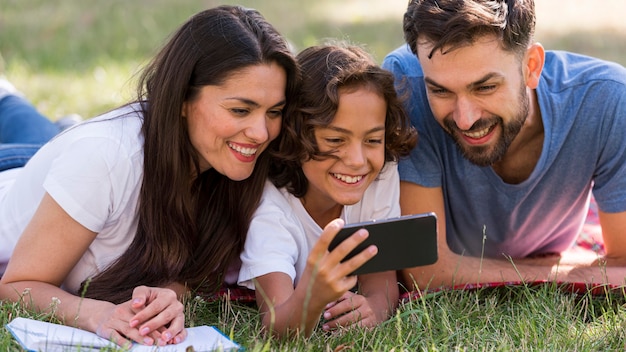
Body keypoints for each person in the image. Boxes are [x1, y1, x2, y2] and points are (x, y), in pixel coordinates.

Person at [0, 5, 299, 348]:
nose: (261, 133)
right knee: (16, 114)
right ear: (183, 98)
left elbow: (192, 267)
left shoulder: (231, 165)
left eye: (274, 112)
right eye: (240, 110)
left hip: (62, 166)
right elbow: (16, 285)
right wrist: (96, 314)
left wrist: (167, 295)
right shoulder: (104, 158)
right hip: (11, 173)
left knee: (37, 131)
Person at [382, 0, 626, 292]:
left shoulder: (607, 100)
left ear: (531, 66)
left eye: (485, 87)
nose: (464, 119)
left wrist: (470, 268)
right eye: (440, 90)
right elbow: (426, 272)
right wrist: (568, 269)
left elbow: (621, 265)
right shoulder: (407, 84)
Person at [238, 43, 417, 338]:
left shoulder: (381, 175)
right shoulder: (270, 207)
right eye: (335, 140)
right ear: (296, 135)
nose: (358, 161)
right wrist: (312, 294)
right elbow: (276, 326)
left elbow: (381, 280)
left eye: (372, 140)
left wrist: (373, 308)